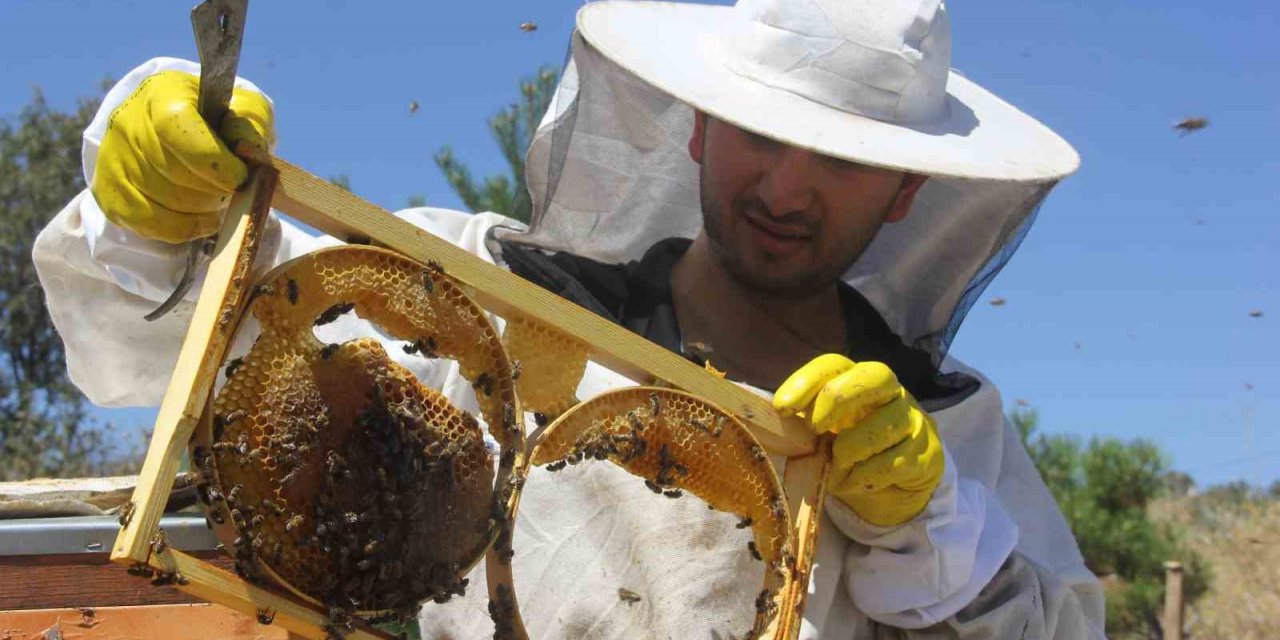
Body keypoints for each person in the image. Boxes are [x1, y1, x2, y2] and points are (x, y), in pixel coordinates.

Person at [33, 0, 1105, 637]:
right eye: (760, 137)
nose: (785, 187)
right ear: (694, 132)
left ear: (906, 191)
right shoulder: (497, 297)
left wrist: (931, 530)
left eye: (840, 160)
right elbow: (168, 335)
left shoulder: (950, 436)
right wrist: (149, 211)